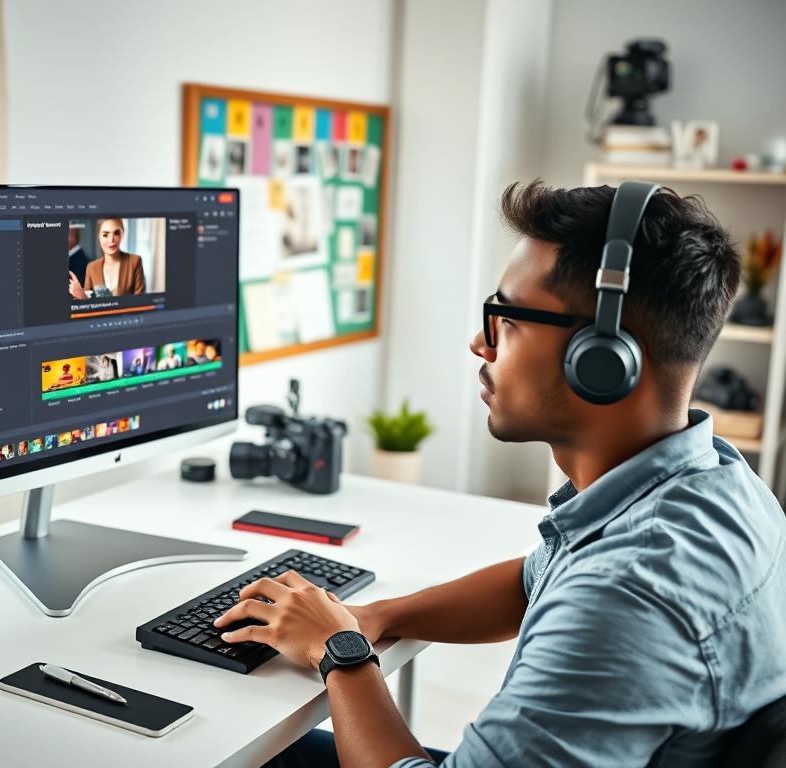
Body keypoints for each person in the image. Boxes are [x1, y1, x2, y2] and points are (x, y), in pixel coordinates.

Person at [214, 182, 786, 767]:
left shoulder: (624, 595)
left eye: (504, 319)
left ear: (601, 360)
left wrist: (340, 651)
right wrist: (376, 615)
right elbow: (532, 581)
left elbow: (598, 598)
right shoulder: (718, 482)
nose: (478, 343)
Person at [69, 218, 146, 299]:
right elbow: (88, 304)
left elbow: (140, 301)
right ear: (99, 236)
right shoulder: (91, 267)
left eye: (116, 233)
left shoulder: (135, 261)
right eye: (105, 235)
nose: (111, 240)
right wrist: (82, 296)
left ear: (122, 235)